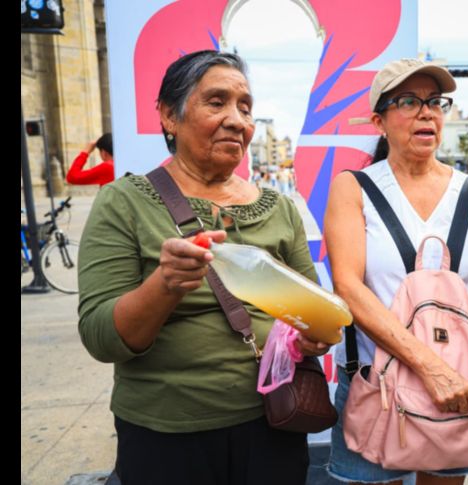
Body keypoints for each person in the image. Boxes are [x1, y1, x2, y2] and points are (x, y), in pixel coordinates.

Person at [77, 50, 330, 485]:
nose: (237, 120)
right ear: (169, 117)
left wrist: (314, 336)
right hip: (167, 435)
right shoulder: (124, 202)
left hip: (274, 422)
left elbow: (317, 318)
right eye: (216, 102)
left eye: (245, 107)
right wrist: (165, 285)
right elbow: (102, 338)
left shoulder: (279, 209)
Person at [323, 58, 468, 484]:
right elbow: (348, 287)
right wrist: (429, 366)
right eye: (408, 101)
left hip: (459, 383)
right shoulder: (355, 188)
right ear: (379, 121)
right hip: (376, 384)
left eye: (435, 102)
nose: (426, 112)